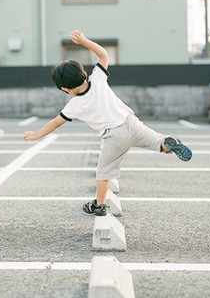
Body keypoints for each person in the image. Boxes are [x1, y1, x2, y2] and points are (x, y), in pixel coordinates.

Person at [23, 30, 192, 216]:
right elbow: (103, 54)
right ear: (84, 74)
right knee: (156, 142)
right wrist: (84, 41)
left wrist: (36, 134)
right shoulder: (97, 79)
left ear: (65, 88)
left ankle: (99, 205)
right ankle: (168, 143)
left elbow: (56, 122)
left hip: (114, 136)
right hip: (131, 123)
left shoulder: (75, 105)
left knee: (104, 172)